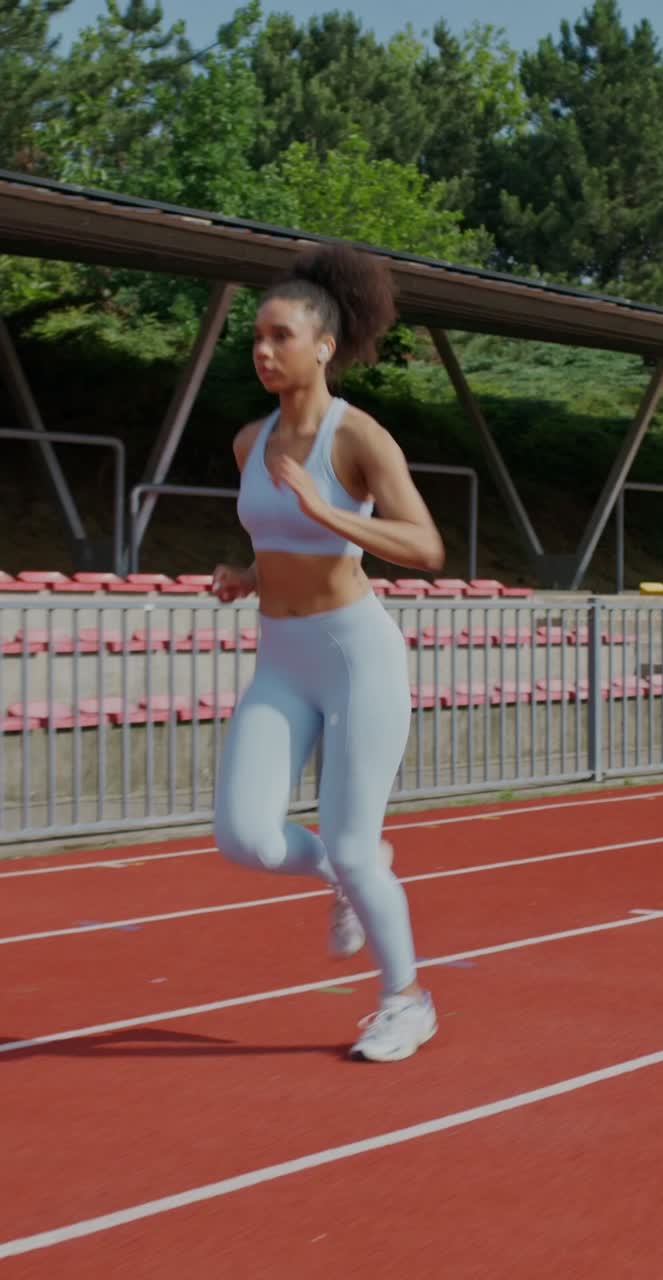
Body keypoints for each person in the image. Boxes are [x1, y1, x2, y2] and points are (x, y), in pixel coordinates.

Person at [212, 241, 445, 1062]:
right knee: (244, 836)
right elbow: (278, 540)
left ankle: (406, 1001)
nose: (264, 350)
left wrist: (325, 507)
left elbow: (425, 546)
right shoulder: (249, 441)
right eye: (257, 337)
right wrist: (247, 575)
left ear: (323, 346)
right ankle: (345, 871)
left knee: (350, 840)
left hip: (354, 656)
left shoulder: (359, 439)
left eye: (280, 336)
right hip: (281, 656)